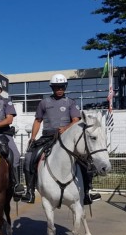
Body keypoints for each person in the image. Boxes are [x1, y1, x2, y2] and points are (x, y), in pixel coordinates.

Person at [22, 73, 101, 204]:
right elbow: (37, 120)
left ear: (65, 87)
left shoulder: (70, 103)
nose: (59, 89)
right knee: (30, 158)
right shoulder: (44, 103)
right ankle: (29, 191)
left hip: (66, 138)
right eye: (57, 87)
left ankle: (87, 193)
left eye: (62, 87)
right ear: (52, 87)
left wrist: (65, 128)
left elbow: (76, 120)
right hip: (47, 136)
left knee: (85, 160)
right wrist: (33, 137)